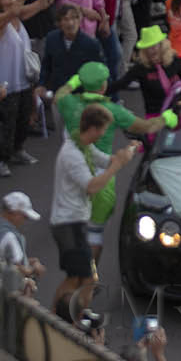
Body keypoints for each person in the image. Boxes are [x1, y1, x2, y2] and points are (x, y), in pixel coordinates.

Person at [49, 103, 136, 319]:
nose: (106, 134)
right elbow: (92, 186)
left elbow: (107, 161)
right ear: (95, 129)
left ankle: (76, 315)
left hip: (76, 222)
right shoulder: (72, 154)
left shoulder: (84, 147)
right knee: (79, 278)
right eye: (105, 129)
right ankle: (58, 317)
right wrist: (117, 165)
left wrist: (126, 153)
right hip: (67, 224)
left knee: (85, 278)